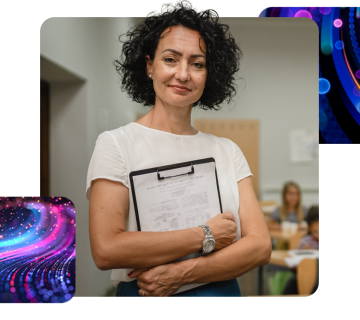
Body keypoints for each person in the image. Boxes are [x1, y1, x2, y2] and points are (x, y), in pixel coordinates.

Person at [87, 0, 271, 297]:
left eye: (197, 64)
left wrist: (180, 273)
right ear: (149, 65)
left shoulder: (227, 151)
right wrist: (206, 234)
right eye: (171, 59)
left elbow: (260, 246)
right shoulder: (116, 144)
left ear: (209, 74)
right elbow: (107, 249)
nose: (183, 74)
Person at [282, 205, 319, 295]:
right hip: (306, 274)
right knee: (292, 282)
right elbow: (295, 268)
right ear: (309, 228)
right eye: (315, 231)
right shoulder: (305, 241)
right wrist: (304, 252)